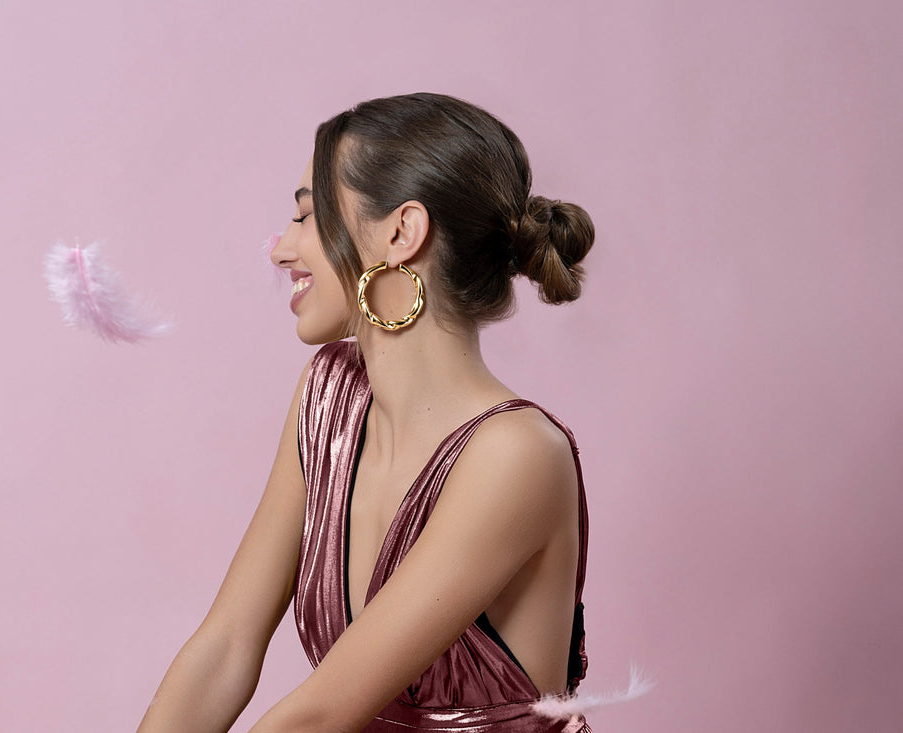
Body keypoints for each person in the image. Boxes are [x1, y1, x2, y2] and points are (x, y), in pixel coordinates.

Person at [137, 92, 596, 733]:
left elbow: (320, 716)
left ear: (401, 233)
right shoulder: (330, 393)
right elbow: (226, 646)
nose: (281, 249)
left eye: (307, 216)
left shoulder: (517, 455)